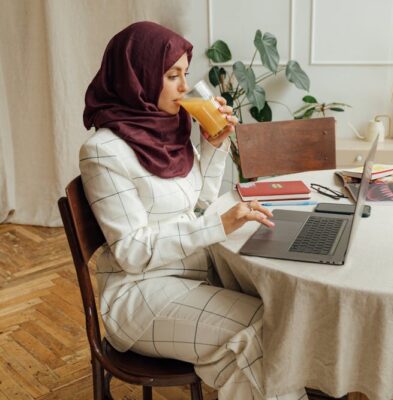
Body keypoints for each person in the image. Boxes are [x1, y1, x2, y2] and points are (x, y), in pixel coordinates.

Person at [80, 21, 308, 400]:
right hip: (139, 294)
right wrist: (213, 227)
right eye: (172, 75)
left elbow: (197, 203)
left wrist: (214, 146)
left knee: (274, 318)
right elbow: (132, 253)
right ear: (139, 76)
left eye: (185, 74)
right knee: (262, 328)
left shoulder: (168, 130)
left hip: (191, 273)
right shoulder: (104, 152)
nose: (185, 87)